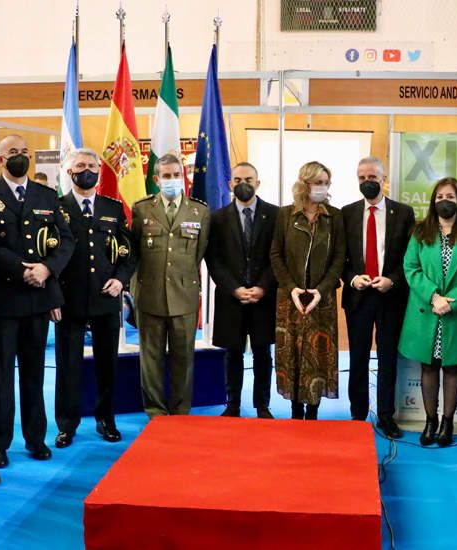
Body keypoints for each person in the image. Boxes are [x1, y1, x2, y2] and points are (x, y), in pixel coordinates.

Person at [0, 134, 74, 468]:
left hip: (37, 299)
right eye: (12, 153)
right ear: (0, 160)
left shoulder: (46, 195)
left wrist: (46, 268)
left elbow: (65, 240)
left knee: (34, 373)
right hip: (2, 298)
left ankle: (35, 438)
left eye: (24, 152)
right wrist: (21, 269)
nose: (20, 157)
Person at [52, 148, 136, 448]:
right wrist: (53, 297)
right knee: (67, 364)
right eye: (80, 166)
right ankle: (66, 424)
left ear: (99, 171)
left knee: (106, 364)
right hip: (68, 300)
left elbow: (127, 253)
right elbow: (46, 254)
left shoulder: (112, 208)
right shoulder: (55, 208)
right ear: (68, 171)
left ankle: (106, 419)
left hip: (105, 297)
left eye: (91, 165)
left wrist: (120, 280)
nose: (86, 170)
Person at [399, 177, 457, 447]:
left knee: (451, 367)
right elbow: (410, 268)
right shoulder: (419, 233)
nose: (444, 201)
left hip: (456, 313)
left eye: (449, 196)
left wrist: (452, 301)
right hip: (426, 311)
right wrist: (434, 296)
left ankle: (447, 423)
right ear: (432, 201)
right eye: (439, 197)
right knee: (428, 366)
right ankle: (430, 421)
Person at [341, 156, 415, 438]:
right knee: (357, 359)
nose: (366, 182)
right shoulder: (346, 213)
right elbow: (341, 258)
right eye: (361, 178)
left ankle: (386, 416)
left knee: (388, 359)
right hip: (358, 296)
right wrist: (352, 277)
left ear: (384, 179)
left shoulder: (403, 212)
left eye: (372, 177)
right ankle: (358, 415)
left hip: (390, 296)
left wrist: (393, 281)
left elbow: (410, 258)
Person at [131, 154, 209, 417]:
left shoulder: (200, 211)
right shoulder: (141, 209)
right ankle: (155, 411)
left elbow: (198, 254)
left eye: (177, 175)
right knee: (150, 360)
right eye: (167, 176)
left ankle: (180, 411)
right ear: (156, 179)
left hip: (184, 296)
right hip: (150, 295)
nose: (173, 180)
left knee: (184, 359)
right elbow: (134, 254)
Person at [270, 161, 345, 420]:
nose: (322, 188)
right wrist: (291, 288)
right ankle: (294, 410)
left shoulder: (335, 217)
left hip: (321, 299)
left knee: (318, 355)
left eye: (326, 182)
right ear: (305, 184)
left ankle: (313, 410)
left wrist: (321, 290)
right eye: (318, 182)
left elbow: (339, 258)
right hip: (289, 298)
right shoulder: (285, 215)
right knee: (291, 353)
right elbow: (276, 255)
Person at [206, 162, 278, 419]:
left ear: (258, 183)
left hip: (264, 297)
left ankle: (262, 405)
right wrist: (234, 288)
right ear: (230, 185)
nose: (243, 184)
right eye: (237, 180)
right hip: (231, 297)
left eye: (248, 179)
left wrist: (263, 286)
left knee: (262, 352)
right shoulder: (217, 218)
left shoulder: (276, 215)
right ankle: (233, 404)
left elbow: (278, 258)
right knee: (232, 352)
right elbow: (213, 259)